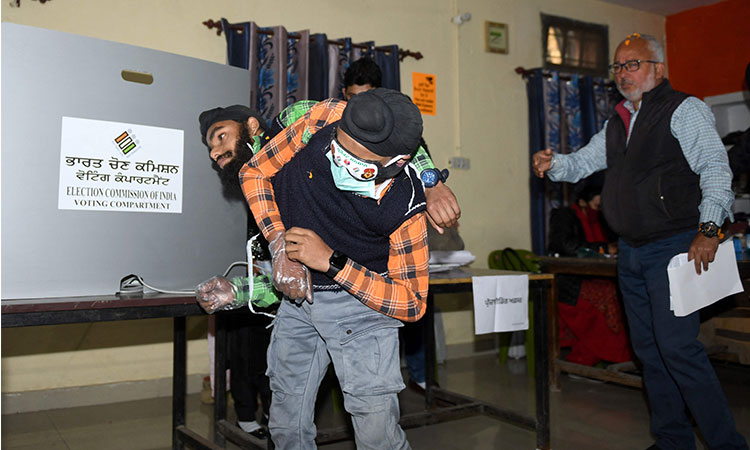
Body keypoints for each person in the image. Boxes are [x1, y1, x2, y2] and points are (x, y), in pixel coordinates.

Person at [532, 33, 747, 450]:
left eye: (633, 64)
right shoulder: (617, 122)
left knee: (678, 350)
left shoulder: (684, 110)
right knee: (650, 352)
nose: (623, 73)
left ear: (658, 69)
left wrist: (709, 230)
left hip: (675, 247)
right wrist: (554, 163)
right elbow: (582, 163)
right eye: (618, 67)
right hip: (630, 252)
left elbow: (716, 170)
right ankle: (672, 441)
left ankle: (728, 445)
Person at [204, 89, 427, 449]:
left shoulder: (406, 207)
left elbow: (412, 303)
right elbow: (254, 172)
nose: (340, 163)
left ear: (397, 162)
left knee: (376, 435)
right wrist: (279, 244)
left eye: (358, 164)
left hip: (363, 312)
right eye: (339, 149)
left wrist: (332, 262)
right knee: (286, 422)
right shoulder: (320, 122)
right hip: (299, 305)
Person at [342, 57, 458, 392]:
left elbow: (421, 159)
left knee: (413, 305)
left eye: (365, 97)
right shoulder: (336, 127)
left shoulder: (399, 128)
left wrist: (433, 184)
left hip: (395, 235)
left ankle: (420, 377)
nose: (358, 107)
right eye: (352, 98)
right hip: (355, 239)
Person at [548, 185, 632, 367]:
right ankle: (591, 358)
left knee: (625, 289)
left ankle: (613, 357)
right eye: (597, 205)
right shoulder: (564, 216)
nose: (601, 209)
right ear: (583, 201)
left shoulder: (604, 219)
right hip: (569, 282)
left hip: (599, 276)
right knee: (609, 295)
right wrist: (602, 248)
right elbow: (564, 245)